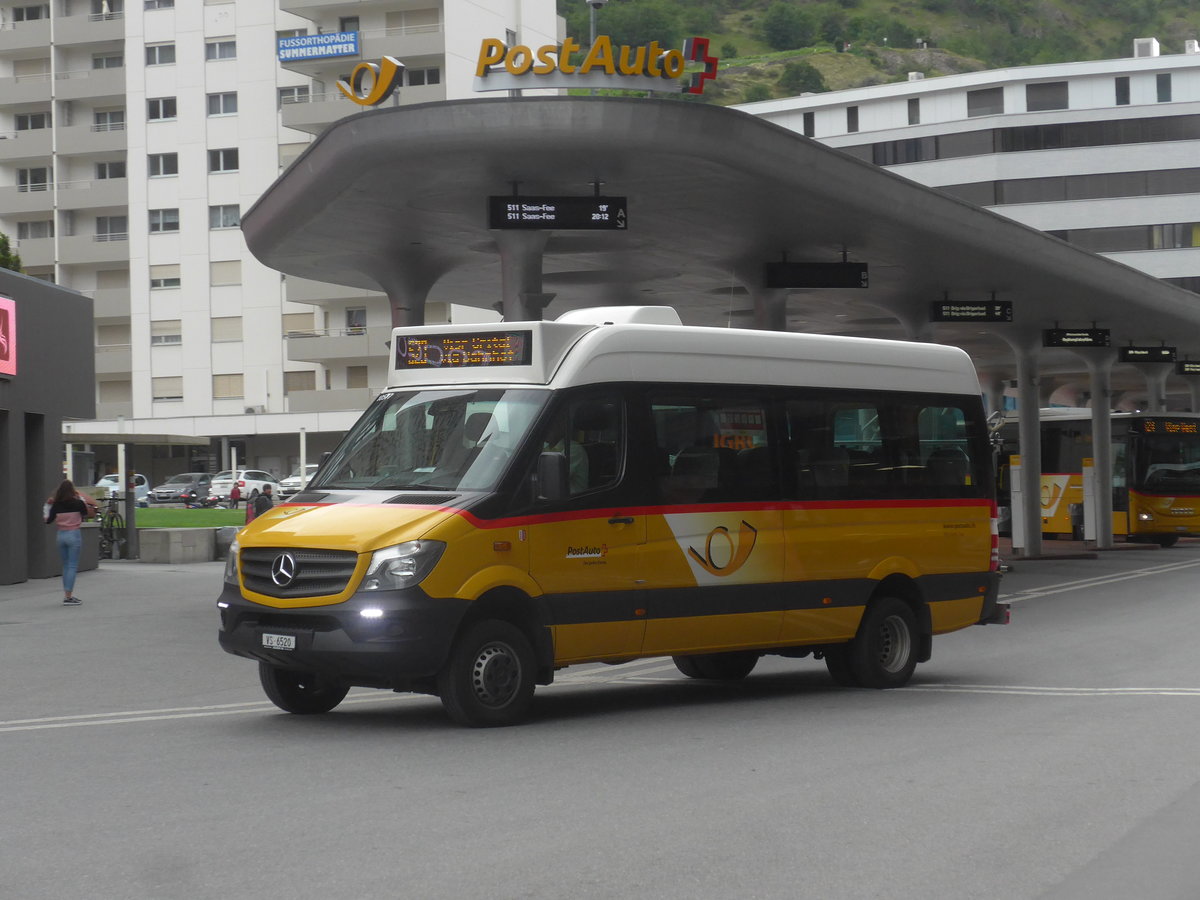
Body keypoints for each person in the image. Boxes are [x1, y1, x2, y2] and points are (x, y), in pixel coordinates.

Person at [45, 479, 91, 605]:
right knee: (72, 565)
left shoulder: (56, 505)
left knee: (65, 565)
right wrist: (80, 498)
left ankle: (67, 595)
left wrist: (48, 505)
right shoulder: (77, 503)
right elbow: (86, 512)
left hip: (61, 535)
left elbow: (47, 520)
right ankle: (68, 596)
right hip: (74, 534)